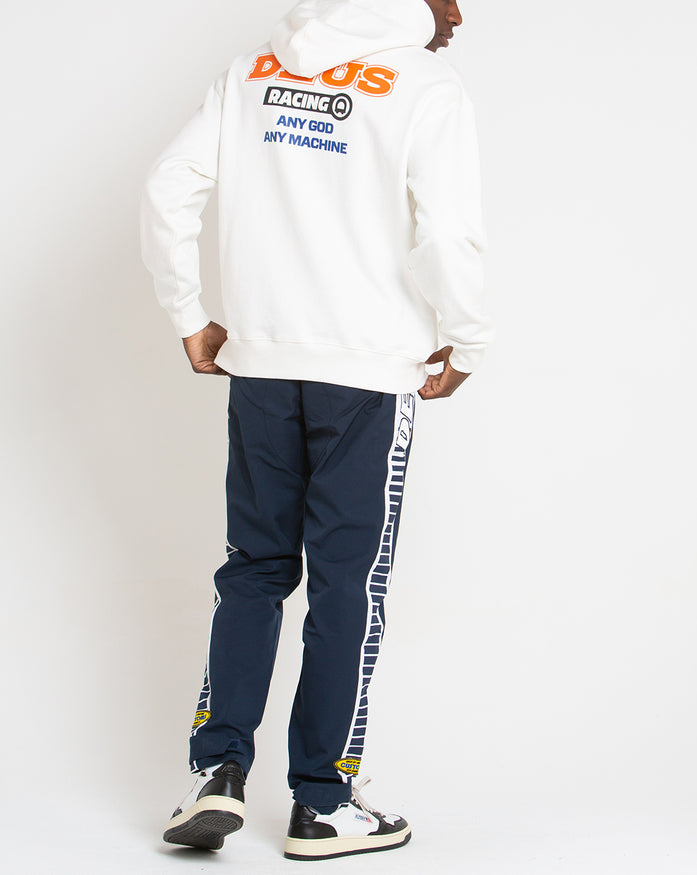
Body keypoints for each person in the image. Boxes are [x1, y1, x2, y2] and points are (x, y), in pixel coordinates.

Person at [139, 0, 492, 861]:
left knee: (253, 568)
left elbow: (167, 186)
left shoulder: (255, 68)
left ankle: (216, 772)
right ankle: (323, 803)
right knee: (347, 587)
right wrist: (469, 337)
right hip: (365, 376)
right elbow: (447, 231)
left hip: (261, 364)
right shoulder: (426, 84)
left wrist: (189, 313)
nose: (459, 11)